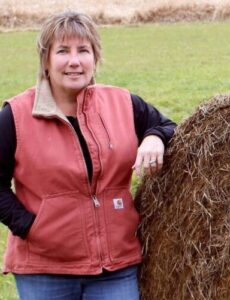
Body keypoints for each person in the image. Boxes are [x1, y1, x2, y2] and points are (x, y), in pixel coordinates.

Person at [0, 11, 176, 300]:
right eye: (63, 51)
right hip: (44, 270)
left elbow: (169, 126)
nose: (74, 61)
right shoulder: (15, 116)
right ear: (46, 60)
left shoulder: (122, 103)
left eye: (83, 50)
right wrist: (30, 226)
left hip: (115, 268)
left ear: (95, 58)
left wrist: (155, 137)